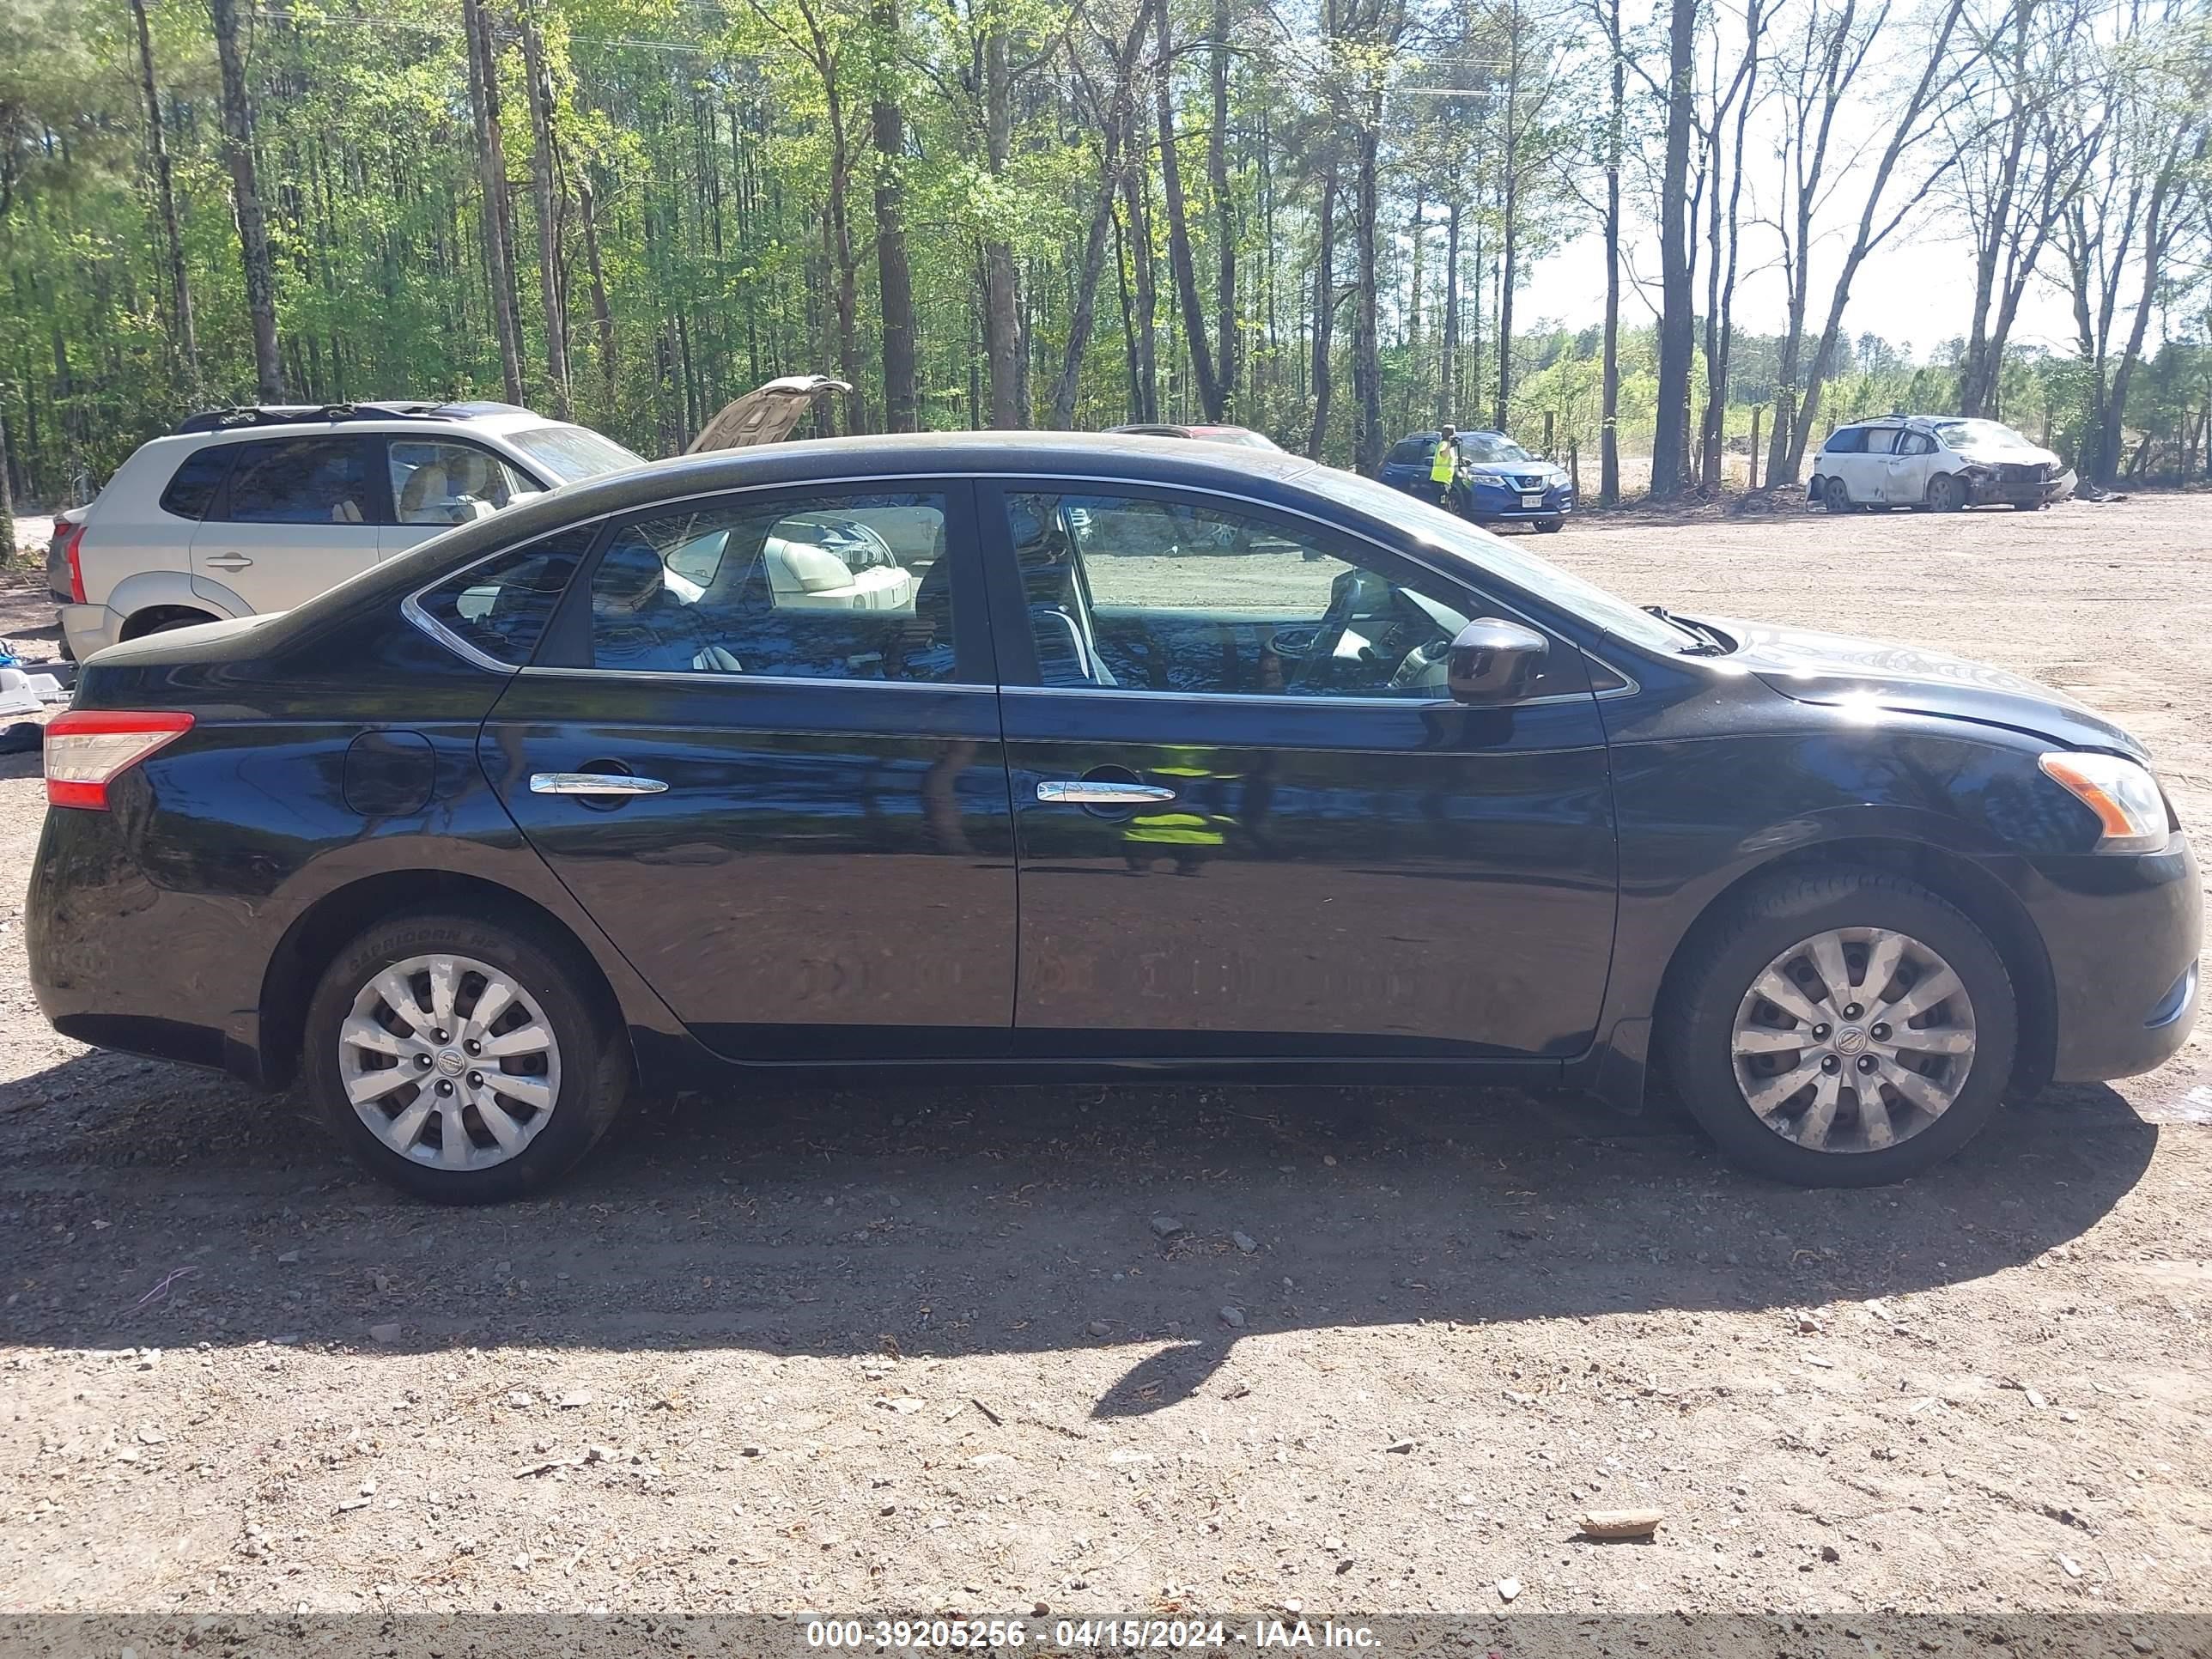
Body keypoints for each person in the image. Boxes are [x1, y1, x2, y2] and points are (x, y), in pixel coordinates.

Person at [1429, 426, 1461, 508]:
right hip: (1440, 480)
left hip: (1444, 480)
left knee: (1443, 504)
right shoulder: (1445, 444)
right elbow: (1443, 454)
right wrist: (1450, 445)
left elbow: (1448, 460)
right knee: (1442, 505)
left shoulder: (1448, 445)